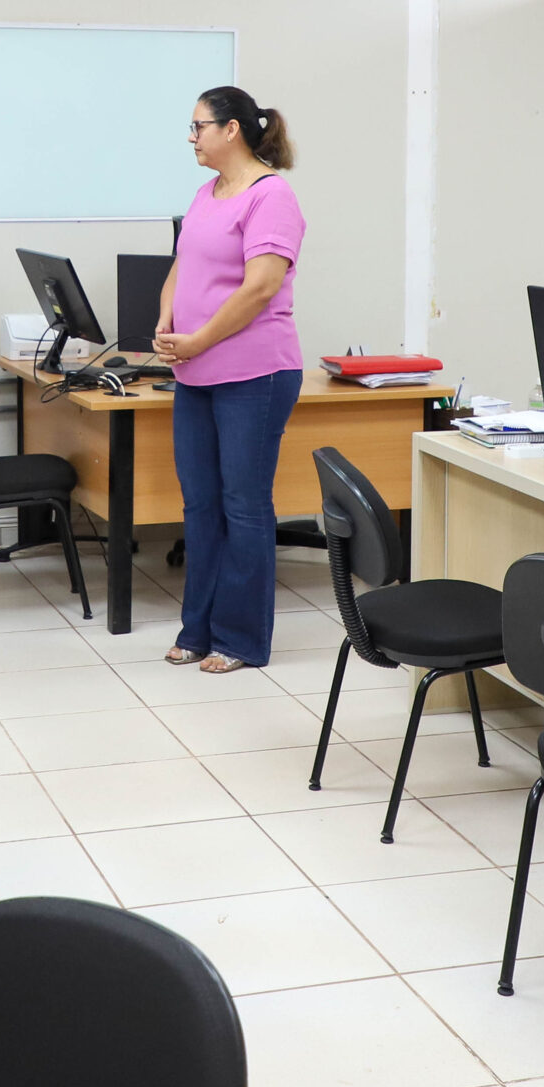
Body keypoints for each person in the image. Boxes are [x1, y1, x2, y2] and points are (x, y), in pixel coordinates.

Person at [152, 86, 304, 675]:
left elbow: (260, 287)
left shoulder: (271, 196)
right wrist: (167, 319)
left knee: (244, 505)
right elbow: (182, 265)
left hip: (255, 374)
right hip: (196, 373)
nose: (191, 137)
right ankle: (198, 630)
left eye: (199, 126)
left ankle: (240, 639)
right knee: (200, 505)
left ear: (232, 129)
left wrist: (199, 340)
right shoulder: (205, 192)